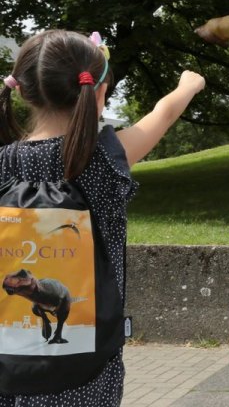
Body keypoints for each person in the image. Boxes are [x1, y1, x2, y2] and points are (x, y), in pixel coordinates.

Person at [0, 29, 205, 407]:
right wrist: (189, 85)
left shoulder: (2, 164)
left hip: (8, 369)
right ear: (97, 93)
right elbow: (164, 113)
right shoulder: (106, 159)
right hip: (89, 370)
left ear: (21, 92)